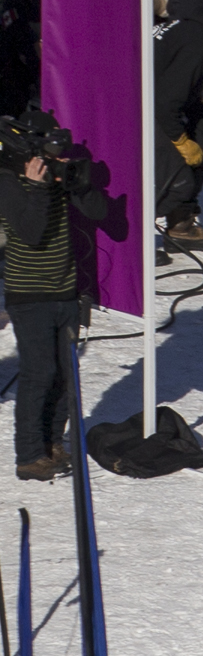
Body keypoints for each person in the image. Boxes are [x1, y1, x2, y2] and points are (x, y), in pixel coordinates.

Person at [0, 118, 114, 480]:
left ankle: (52, 444)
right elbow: (30, 234)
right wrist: (37, 188)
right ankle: (29, 455)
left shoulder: (56, 176)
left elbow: (100, 213)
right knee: (39, 373)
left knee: (66, 375)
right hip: (28, 294)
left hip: (65, 291)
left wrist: (77, 184)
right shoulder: (7, 181)